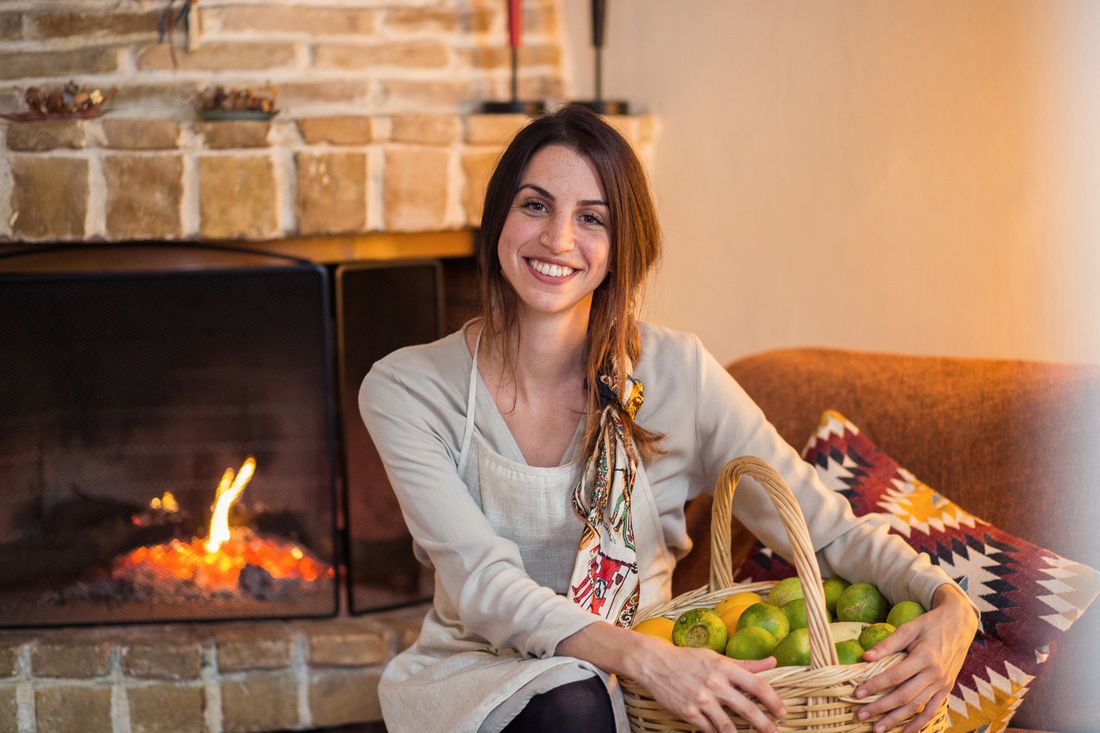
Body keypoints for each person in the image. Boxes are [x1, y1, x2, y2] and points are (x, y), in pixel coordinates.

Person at [359, 105, 977, 733]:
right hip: (484, 679)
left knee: (588, 698)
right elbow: (483, 584)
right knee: (573, 699)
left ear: (622, 246)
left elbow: (824, 532)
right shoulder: (408, 389)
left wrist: (950, 604)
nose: (559, 240)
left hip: (656, 692)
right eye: (535, 206)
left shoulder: (679, 373)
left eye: (592, 218)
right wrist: (645, 660)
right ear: (499, 218)